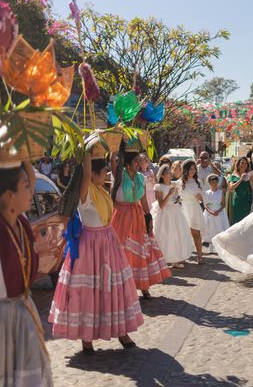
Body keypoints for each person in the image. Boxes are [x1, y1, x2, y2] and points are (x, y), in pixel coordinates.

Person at [0, 112, 53, 385]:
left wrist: (20, 143)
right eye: (27, 187)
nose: (32, 190)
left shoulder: (19, 218)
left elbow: (26, 171)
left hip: (19, 316)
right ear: (7, 197)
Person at [50, 150, 143, 354]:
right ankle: (87, 338)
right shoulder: (86, 192)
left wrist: (111, 156)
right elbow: (84, 175)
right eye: (103, 172)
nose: (106, 175)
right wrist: (86, 153)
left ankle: (122, 331)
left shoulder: (102, 190)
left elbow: (116, 178)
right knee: (89, 290)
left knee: (115, 288)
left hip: (108, 241)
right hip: (90, 244)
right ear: (92, 174)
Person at [111, 145, 170, 299]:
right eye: (136, 161)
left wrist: (148, 216)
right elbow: (113, 162)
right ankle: (122, 286)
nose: (139, 163)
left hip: (137, 216)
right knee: (123, 251)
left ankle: (143, 286)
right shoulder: (119, 175)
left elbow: (143, 199)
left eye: (139, 160)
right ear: (128, 163)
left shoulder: (141, 178)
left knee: (140, 251)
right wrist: (116, 147)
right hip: (120, 216)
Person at [151, 164, 193, 268]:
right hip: (165, 214)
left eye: (170, 172)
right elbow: (161, 205)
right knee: (164, 236)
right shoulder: (158, 187)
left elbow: (178, 198)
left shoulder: (175, 185)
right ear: (162, 176)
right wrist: (169, 194)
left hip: (176, 213)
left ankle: (175, 260)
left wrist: (177, 198)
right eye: (168, 172)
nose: (170, 173)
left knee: (176, 235)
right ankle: (162, 260)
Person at [179, 159, 207, 264]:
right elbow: (176, 197)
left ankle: (199, 256)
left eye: (194, 169)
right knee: (184, 234)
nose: (193, 171)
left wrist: (200, 197)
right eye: (190, 169)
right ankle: (183, 256)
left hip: (195, 209)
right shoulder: (180, 183)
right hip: (184, 209)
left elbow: (202, 198)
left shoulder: (198, 182)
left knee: (196, 233)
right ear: (185, 170)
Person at [203, 174, 230, 252]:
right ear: (209, 183)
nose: (214, 184)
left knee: (219, 228)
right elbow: (205, 204)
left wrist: (218, 211)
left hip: (219, 212)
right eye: (212, 182)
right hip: (209, 213)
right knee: (210, 228)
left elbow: (223, 204)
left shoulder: (221, 192)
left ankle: (220, 248)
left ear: (218, 182)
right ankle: (210, 247)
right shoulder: (206, 192)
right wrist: (211, 211)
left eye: (215, 182)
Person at [228, 157, 253, 224]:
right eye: (242, 163)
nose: (244, 165)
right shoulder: (233, 175)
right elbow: (231, 188)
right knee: (238, 221)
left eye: (246, 163)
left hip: (248, 200)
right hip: (238, 201)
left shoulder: (249, 175)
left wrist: (250, 182)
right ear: (238, 164)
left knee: (248, 221)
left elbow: (252, 189)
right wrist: (241, 179)